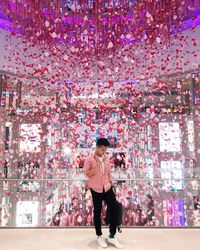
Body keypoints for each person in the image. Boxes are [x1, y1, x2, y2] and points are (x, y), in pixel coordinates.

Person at [84, 138, 123, 249]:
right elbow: (86, 174)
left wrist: (112, 185)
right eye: (102, 149)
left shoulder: (106, 158)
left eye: (105, 150)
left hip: (107, 187)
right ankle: (99, 236)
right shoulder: (89, 159)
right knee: (97, 211)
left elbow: (109, 173)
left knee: (115, 208)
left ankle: (112, 235)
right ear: (97, 147)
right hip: (96, 189)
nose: (103, 152)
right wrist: (95, 167)